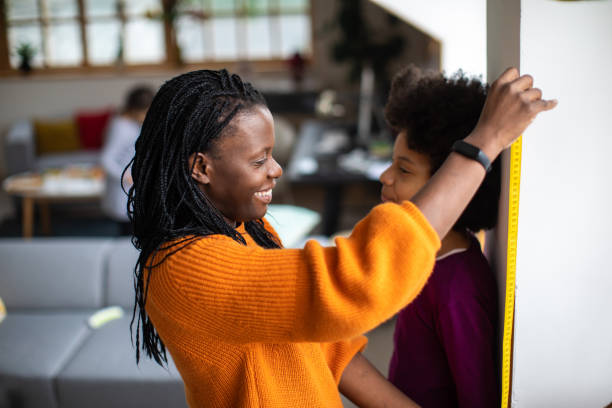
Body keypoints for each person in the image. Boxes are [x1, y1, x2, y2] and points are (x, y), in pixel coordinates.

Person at [128, 68, 556, 407]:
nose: (276, 170)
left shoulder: (248, 230)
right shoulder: (183, 268)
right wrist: (485, 141)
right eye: (259, 160)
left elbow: (327, 343)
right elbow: (355, 283)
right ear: (200, 168)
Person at [381, 66, 501, 407]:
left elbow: (478, 397)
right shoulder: (425, 257)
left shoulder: (457, 288)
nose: (385, 176)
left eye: (403, 169)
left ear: (452, 187)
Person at [100, 85, 154, 234]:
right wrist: (126, 177)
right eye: (147, 112)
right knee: (128, 232)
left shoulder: (131, 124)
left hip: (132, 190)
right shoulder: (120, 127)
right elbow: (106, 159)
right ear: (136, 110)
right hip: (123, 190)